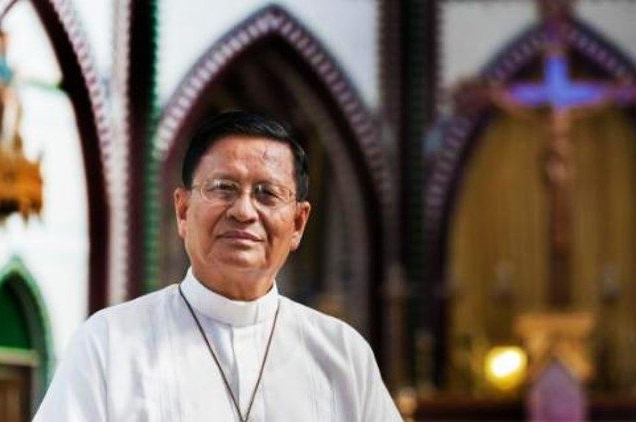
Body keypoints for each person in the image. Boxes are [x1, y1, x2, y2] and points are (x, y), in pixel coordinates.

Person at [34, 111, 401, 421]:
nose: (243, 211)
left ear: (298, 224)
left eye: (267, 193)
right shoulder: (107, 344)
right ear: (183, 211)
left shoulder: (344, 357)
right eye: (224, 188)